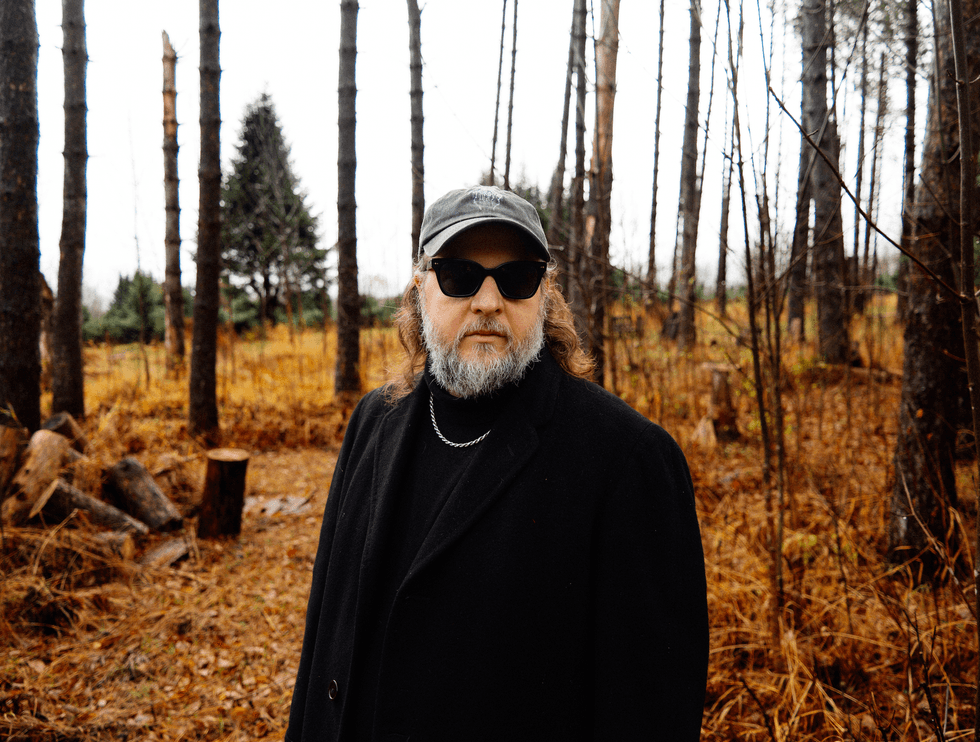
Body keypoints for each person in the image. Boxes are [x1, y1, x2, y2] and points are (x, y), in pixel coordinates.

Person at [286, 185, 708, 741]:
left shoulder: (626, 460)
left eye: (515, 279)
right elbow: (326, 632)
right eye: (460, 276)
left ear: (544, 295)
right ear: (420, 290)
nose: (488, 301)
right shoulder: (375, 421)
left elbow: (650, 707)